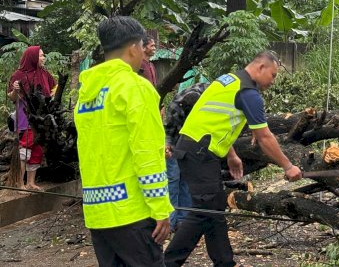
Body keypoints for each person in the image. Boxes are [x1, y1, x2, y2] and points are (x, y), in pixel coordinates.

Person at [164, 51, 303, 267]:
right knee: (203, 212)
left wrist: (232, 155)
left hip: (196, 149)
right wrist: (288, 166)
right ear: (260, 68)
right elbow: (264, 136)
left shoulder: (228, 80)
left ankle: (225, 262)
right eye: (273, 75)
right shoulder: (248, 92)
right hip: (199, 152)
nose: (273, 81)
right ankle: (168, 262)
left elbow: (215, 121)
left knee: (214, 206)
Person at [74, 16, 172, 266]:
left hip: (98, 213)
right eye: (143, 46)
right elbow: (147, 153)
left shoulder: (86, 95)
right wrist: (161, 209)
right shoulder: (135, 88)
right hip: (133, 213)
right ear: (133, 47)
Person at [7, 45, 56, 190]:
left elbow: (54, 88)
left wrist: (51, 99)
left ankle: (30, 182)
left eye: (43, 55)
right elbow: (12, 97)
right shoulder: (18, 75)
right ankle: (19, 183)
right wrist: (16, 90)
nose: (43, 58)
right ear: (33, 57)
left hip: (41, 115)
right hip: (26, 115)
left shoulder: (44, 73)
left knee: (37, 149)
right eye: (41, 55)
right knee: (26, 146)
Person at [164, 81, 209, 231]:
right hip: (177, 140)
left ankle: (184, 221)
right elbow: (168, 130)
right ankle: (170, 222)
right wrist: (168, 145)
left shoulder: (210, 97)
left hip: (194, 140)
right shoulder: (175, 107)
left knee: (187, 179)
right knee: (173, 178)